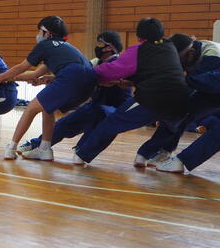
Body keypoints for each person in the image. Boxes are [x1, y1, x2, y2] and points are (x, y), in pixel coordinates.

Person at [73, 18, 190, 166]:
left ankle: (82, 155)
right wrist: (134, 81)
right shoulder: (169, 46)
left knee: (112, 122)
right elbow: (162, 72)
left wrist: (87, 74)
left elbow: (113, 69)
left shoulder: (140, 49)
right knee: (169, 128)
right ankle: (144, 156)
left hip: (153, 98)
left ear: (139, 36)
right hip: (181, 101)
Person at [0, 16, 95, 161]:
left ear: (47, 33)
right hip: (89, 84)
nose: (38, 34)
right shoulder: (66, 48)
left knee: (31, 108)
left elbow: (22, 67)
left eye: (39, 31)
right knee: (48, 108)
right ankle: (45, 150)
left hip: (71, 77)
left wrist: (0, 77)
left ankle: (11, 148)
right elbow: (33, 74)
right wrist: (8, 78)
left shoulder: (45, 45)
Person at [18, 30, 132, 154]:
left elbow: (95, 78)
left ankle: (82, 150)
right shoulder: (95, 62)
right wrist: (53, 78)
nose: (97, 46)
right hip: (94, 106)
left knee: (99, 117)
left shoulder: (119, 64)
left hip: (114, 110)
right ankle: (37, 145)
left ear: (109, 47)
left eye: (100, 43)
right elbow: (80, 76)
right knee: (63, 124)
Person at [148, 34, 220, 173]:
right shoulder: (190, 50)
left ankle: (182, 161)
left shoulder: (213, 55)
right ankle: (164, 151)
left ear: (190, 53)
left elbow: (211, 82)